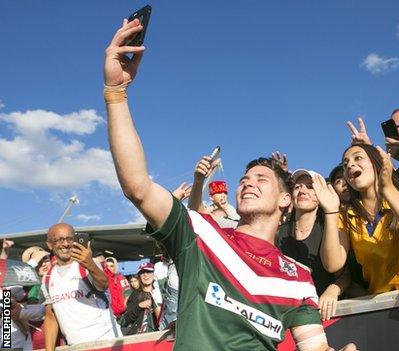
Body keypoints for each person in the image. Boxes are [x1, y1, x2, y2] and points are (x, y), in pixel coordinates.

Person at [103, 18, 354, 351]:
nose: (248, 183)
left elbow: (315, 347)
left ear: (284, 201)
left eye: (261, 179)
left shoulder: (297, 276)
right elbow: (137, 186)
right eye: (244, 179)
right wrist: (116, 94)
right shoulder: (200, 234)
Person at [317, 142, 399, 294]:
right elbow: (333, 264)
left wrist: (388, 188)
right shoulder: (345, 216)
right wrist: (331, 211)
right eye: (345, 165)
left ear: (376, 163)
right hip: (380, 302)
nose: (350, 165)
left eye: (357, 158)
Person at [276, 169, 351, 321]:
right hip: (289, 314)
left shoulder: (329, 227)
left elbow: (345, 275)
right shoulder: (279, 232)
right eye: (297, 187)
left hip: (326, 314)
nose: (302, 190)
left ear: (320, 196)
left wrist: (333, 290)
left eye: (310, 186)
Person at [41, 223, 121, 350]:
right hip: (75, 347)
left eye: (70, 239)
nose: (66, 244)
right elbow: (51, 316)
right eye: (59, 240)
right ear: (49, 244)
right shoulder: (47, 277)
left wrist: (90, 265)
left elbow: (104, 284)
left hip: (107, 343)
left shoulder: (88, 265)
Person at [189, 155, 240, 229]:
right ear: (211, 197)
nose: (223, 195)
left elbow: (236, 221)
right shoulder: (207, 209)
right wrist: (199, 179)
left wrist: (226, 208)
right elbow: (195, 208)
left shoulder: (230, 210)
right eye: (219, 193)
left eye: (225, 193)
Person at [119, 262, 161, 335]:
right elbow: (127, 319)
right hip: (141, 335)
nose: (145, 275)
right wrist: (139, 306)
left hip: (160, 333)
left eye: (148, 272)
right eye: (142, 273)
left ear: (154, 274)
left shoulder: (161, 291)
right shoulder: (135, 294)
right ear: (139, 277)